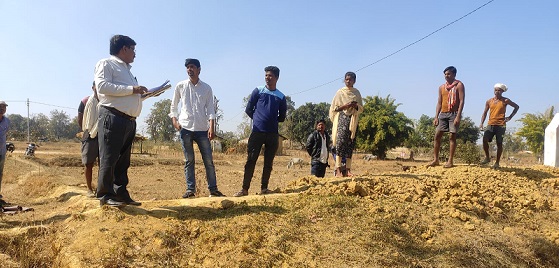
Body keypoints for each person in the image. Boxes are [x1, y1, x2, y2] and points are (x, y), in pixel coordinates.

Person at [94, 35, 148, 207]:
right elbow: (102, 86)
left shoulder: (127, 70)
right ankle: (105, 195)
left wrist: (143, 95)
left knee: (123, 161)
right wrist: (133, 89)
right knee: (109, 157)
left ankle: (121, 193)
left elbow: (127, 95)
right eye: (133, 49)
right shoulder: (106, 64)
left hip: (129, 120)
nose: (135, 54)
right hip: (113, 117)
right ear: (124, 48)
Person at [169, 58, 225, 198]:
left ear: (199, 69)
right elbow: (173, 106)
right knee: (189, 160)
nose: (190, 69)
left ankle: (213, 189)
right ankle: (190, 190)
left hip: (202, 129)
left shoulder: (206, 88)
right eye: (188, 67)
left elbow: (211, 110)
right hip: (185, 128)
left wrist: (212, 127)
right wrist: (175, 121)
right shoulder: (180, 86)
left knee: (208, 161)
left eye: (192, 67)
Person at [233, 66, 287, 197]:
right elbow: (248, 109)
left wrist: (271, 121)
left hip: (273, 134)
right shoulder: (258, 91)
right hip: (257, 132)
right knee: (251, 161)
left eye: (271, 76)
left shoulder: (281, 97)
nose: (268, 78)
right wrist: (258, 119)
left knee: (268, 163)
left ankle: (264, 188)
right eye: (266, 75)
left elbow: (282, 117)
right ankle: (244, 189)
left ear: (277, 78)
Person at [427, 66, 465, 168]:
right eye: (445, 74)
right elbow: (439, 102)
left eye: (448, 74)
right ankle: (436, 159)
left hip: (454, 114)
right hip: (443, 114)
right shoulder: (441, 87)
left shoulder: (459, 85)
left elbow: (461, 101)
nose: (446, 76)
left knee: (452, 136)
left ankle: (450, 161)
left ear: (454, 75)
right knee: (437, 136)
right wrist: (436, 116)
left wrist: (458, 116)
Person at [329, 72, 363, 177]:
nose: (348, 81)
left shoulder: (357, 93)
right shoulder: (340, 92)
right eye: (347, 79)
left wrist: (355, 105)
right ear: (344, 80)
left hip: (352, 119)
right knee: (340, 143)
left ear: (354, 81)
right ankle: (338, 169)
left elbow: (361, 108)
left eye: (350, 79)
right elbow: (335, 108)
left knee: (350, 144)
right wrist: (346, 106)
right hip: (342, 119)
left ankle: (348, 170)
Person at [479, 83, 519, 168]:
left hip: (501, 125)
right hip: (490, 124)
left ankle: (497, 162)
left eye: (499, 90)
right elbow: (485, 113)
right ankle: (487, 157)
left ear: (502, 91)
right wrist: (481, 123)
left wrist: (510, 117)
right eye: (496, 90)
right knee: (485, 139)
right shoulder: (489, 101)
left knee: (499, 143)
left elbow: (516, 107)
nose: (497, 92)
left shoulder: (505, 100)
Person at [78, 82, 100, 197]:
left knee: (104, 164)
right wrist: (86, 131)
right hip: (89, 134)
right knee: (88, 163)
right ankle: (89, 189)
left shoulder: (107, 100)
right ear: (93, 87)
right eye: (97, 85)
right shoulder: (86, 101)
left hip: (102, 135)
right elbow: (80, 117)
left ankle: (101, 189)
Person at [0, 100, 10, 199]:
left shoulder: (7, 121)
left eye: (4, 107)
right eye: (0, 107)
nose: (2, 109)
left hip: (2, 152)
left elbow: (4, 134)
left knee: (0, 173)